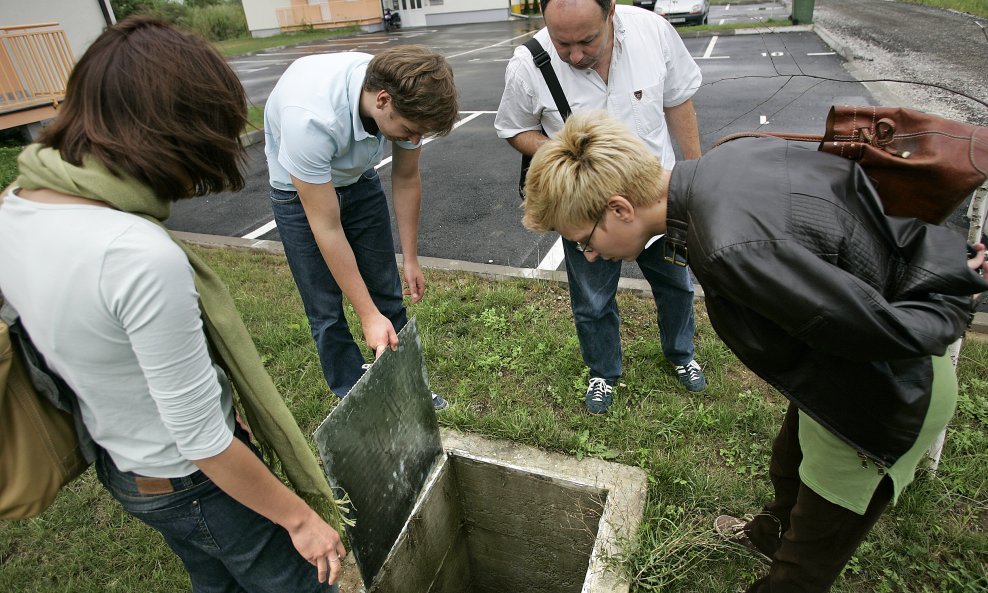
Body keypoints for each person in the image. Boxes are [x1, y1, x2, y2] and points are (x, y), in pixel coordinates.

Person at [521, 112, 988, 592]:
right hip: (834, 365)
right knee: (788, 461)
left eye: (584, 241)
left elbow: (885, 334)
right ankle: (767, 535)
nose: (590, 255)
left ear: (619, 208)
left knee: (804, 568)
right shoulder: (729, 155)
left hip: (883, 393)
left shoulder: (727, 247)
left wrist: (956, 297)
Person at [0, 17, 348, 591]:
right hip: (195, 481)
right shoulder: (134, 253)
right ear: (175, 132)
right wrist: (301, 517)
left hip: (126, 468)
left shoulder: (19, 201)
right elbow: (203, 442)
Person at [495, 0, 706, 415]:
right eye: (562, 42)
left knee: (677, 285)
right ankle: (603, 372)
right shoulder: (528, 63)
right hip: (586, 217)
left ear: (610, 11)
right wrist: (573, 159)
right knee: (592, 300)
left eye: (587, 40)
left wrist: (694, 181)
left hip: (656, 204)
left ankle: (682, 354)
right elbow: (512, 127)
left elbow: (679, 100)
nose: (574, 55)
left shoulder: (653, 31)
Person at [265, 45, 458, 409]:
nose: (413, 140)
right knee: (325, 309)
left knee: (387, 291)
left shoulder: (404, 97)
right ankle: (356, 399)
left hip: (356, 178)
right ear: (382, 100)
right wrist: (368, 315)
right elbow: (327, 227)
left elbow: (405, 177)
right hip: (297, 193)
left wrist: (411, 258)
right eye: (410, 131)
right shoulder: (310, 120)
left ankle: (408, 389)